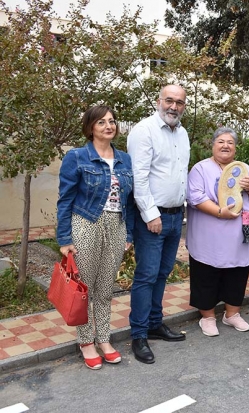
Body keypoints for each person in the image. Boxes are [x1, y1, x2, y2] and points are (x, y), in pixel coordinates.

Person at [56, 105, 134, 370]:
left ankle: (103, 338)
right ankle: (85, 340)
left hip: (116, 225)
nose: (108, 126)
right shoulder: (76, 157)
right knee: (84, 289)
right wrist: (65, 239)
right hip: (86, 223)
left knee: (105, 288)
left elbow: (130, 201)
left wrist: (129, 232)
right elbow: (65, 200)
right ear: (91, 128)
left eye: (112, 121)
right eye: (101, 122)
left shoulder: (124, 159)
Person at [127, 85, 190, 364]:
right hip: (154, 218)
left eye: (179, 102)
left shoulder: (183, 133)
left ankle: (154, 323)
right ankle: (138, 334)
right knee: (146, 275)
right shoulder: (144, 130)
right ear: (158, 101)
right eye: (169, 101)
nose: (173, 107)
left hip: (177, 216)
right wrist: (151, 214)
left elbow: (179, 173)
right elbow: (138, 177)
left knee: (163, 273)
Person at [187, 127, 249, 336]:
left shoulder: (245, 169)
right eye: (221, 141)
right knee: (206, 275)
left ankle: (232, 314)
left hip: (240, 237)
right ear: (213, 145)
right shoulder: (200, 169)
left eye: (230, 142)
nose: (225, 145)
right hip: (208, 237)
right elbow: (195, 197)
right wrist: (220, 212)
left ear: (235, 148)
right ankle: (208, 317)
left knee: (238, 274)